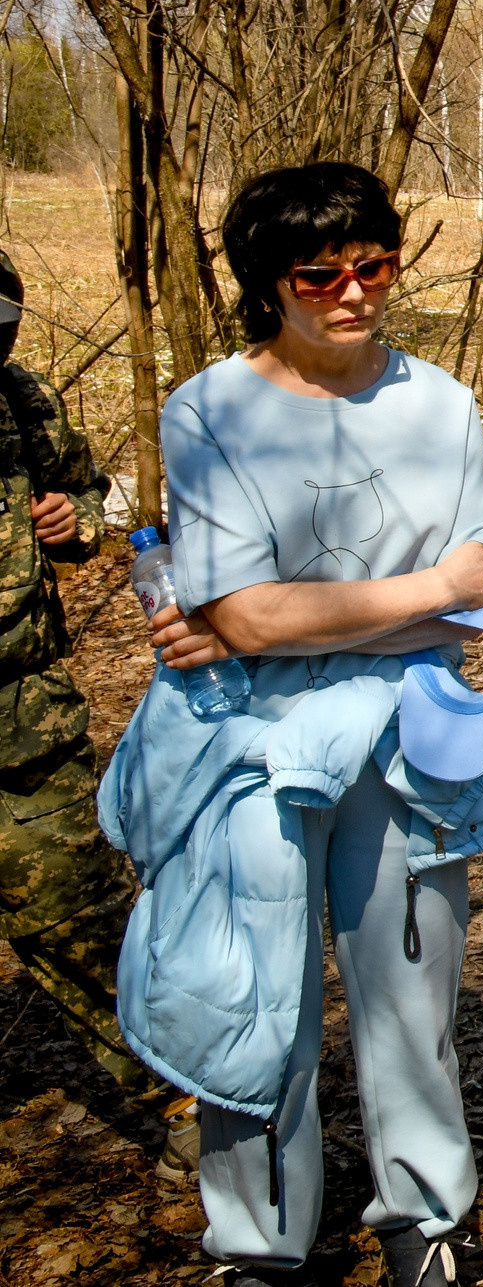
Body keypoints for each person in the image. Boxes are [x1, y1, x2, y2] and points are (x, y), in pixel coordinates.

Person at [137, 162, 483, 1287]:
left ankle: (427, 1220)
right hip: (246, 751)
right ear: (270, 284)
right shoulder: (210, 410)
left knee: (411, 991)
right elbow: (246, 615)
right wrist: (412, 594)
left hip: (407, 742)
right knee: (250, 993)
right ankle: (258, 1245)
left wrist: (279, 618)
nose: (351, 292)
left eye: (374, 265)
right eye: (319, 274)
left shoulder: (440, 405)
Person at [0, 248, 195, 1170]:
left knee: (89, 917)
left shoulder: (19, 399)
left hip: (23, 725)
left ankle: (188, 1099)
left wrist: (72, 520)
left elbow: (90, 495)